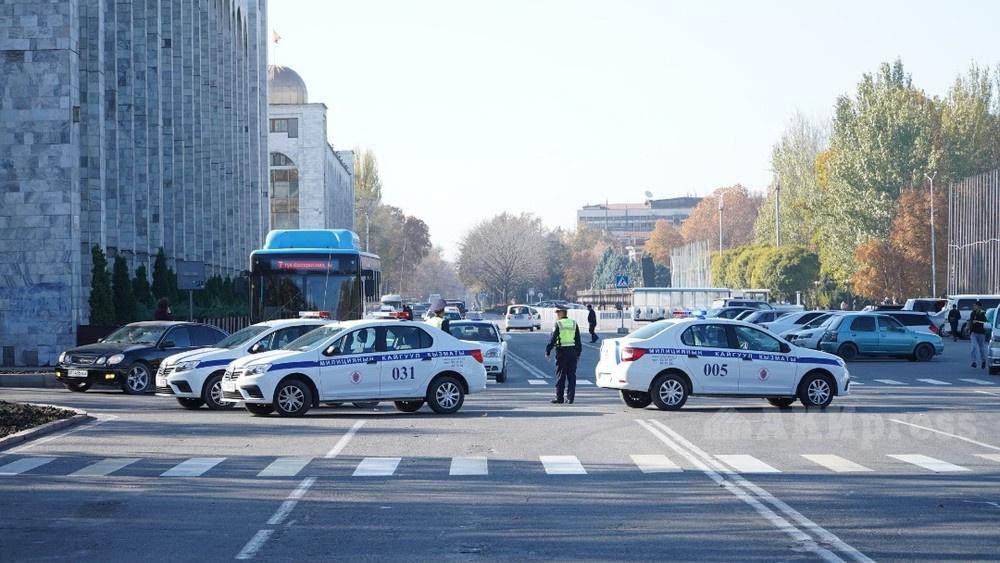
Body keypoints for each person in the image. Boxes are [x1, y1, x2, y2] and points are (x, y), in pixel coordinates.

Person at [545, 306, 581, 404]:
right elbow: (578, 340)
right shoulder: (574, 323)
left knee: (561, 376)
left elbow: (553, 339)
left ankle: (559, 398)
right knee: (571, 376)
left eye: (557, 312)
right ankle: (570, 398)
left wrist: (548, 351)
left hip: (562, 353)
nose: (556, 315)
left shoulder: (559, 324)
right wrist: (578, 354)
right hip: (572, 352)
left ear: (562, 313)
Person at [969, 301, 989, 369]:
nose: (974, 307)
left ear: (979, 306)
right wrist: (969, 327)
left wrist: (977, 322)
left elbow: (986, 322)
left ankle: (983, 361)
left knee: (981, 348)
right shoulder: (972, 313)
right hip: (973, 332)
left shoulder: (983, 313)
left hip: (981, 332)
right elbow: (971, 321)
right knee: (973, 347)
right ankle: (973, 362)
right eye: (973, 305)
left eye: (975, 306)